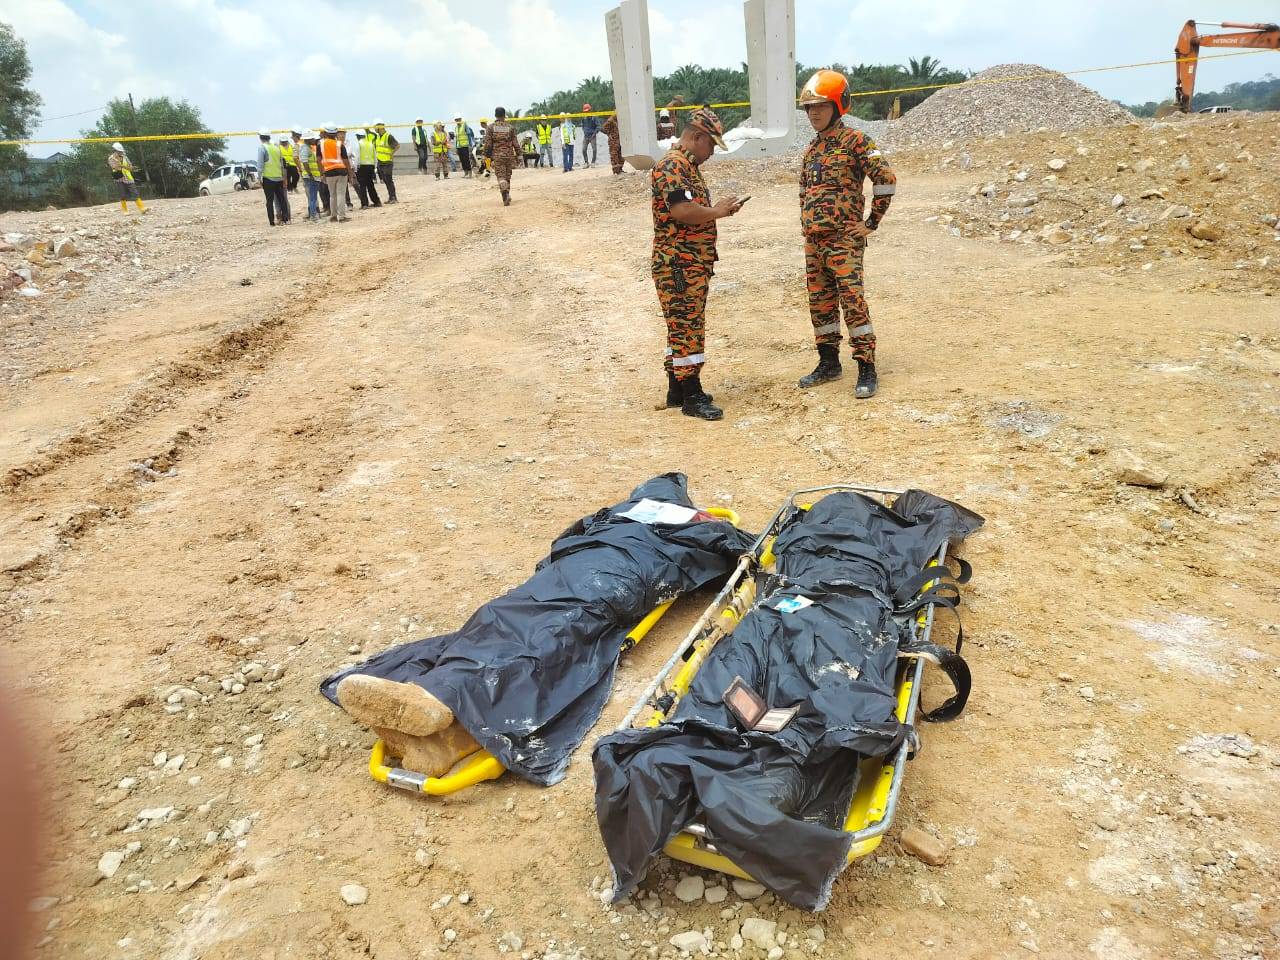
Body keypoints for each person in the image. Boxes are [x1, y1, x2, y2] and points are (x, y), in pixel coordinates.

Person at [795, 69, 896, 399]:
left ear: (839, 106)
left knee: (853, 303)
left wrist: (870, 223)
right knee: (820, 305)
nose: (814, 114)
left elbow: (885, 179)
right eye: (809, 108)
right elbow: (804, 193)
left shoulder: (857, 141)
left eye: (820, 107)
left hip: (844, 241)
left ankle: (866, 366)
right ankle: (829, 363)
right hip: (815, 242)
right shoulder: (812, 150)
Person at [649, 109, 742, 421]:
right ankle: (692, 394)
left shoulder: (686, 166)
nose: (712, 152)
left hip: (689, 262)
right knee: (687, 325)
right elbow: (682, 210)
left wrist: (719, 212)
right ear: (698, 137)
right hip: (678, 262)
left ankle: (677, 389)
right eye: (711, 145)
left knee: (681, 325)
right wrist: (716, 212)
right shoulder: (672, 165)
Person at [484, 106, 521, 207]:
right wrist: (519, 155)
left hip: (497, 156)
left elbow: (488, 145)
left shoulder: (490, 128)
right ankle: (507, 193)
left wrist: (487, 156)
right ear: (504, 115)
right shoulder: (510, 128)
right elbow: (516, 143)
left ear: (495, 115)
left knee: (501, 176)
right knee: (508, 176)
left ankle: (504, 192)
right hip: (509, 155)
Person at [257, 128, 290, 226]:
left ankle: (272, 222)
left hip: (268, 179)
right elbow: (281, 164)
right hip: (278, 178)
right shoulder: (276, 147)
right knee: (282, 199)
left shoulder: (262, 148)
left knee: (269, 201)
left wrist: (259, 178)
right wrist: (284, 177)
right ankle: (285, 219)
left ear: (260, 138)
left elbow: (260, 165)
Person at [319, 124, 351, 223]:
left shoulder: (321, 144)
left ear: (326, 133)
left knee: (332, 195)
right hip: (341, 171)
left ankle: (333, 216)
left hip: (329, 172)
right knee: (341, 194)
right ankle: (341, 217)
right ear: (335, 133)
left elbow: (318, 160)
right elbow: (346, 160)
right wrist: (350, 173)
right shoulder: (339, 144)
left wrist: (322, 173)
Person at [107, 142, 146, 215]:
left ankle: (142, 208)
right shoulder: (111, 158)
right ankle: (125, 211)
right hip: (119, 178)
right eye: (119, 151)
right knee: (122, 195)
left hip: (128, 177)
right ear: (115, 150)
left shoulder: (125, 157)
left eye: (121, 151)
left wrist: (123, 166)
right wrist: (120, 164)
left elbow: (130, 167)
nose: (121, 152)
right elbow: (114, 167)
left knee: (135, 192)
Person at [298, 129, 324, 222]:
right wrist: (310, 174)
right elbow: (304, 162)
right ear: (308, 139)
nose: (314, 140)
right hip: (310, 176)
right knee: (313, 197)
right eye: (312, 138)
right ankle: (313, 216)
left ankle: (313, 215)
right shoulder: (305, 148)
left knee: (312, 197)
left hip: (312, 176)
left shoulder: (307, 147)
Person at [371, 120, 398, 204]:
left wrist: (391, 154)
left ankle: (393, 197)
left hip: (387, 162)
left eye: (376, 127)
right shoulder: (378, 137)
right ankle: (390, 197)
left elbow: (397, 146)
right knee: (385, 180)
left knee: (389, 180)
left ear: (380, 127)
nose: (375, 129)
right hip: (380, 162)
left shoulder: (388, 136)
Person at [353, 129, 382, 208]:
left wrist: (355, 168)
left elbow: (357, 157)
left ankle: (365, 204)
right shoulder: (370, 144)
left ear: (358, 136)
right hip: (370, 166)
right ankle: (377, 201)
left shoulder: (358, 144)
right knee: (370, 185)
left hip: (362, 166)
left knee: (362, 186)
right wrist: (375, 167)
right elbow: (375, 156)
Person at [581, 103, 599, 167]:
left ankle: (593, 162)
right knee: (583, 149)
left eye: (588, 111)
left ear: (590, 110)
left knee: (594, 149)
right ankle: (586, 162)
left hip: (592, 136)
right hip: (586, 136)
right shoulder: (584, 118)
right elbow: (582, 125)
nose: (587, 112)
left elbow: (598, 126)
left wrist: (594, 134)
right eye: (585, 111)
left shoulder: (594, 117)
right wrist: (584, 131)